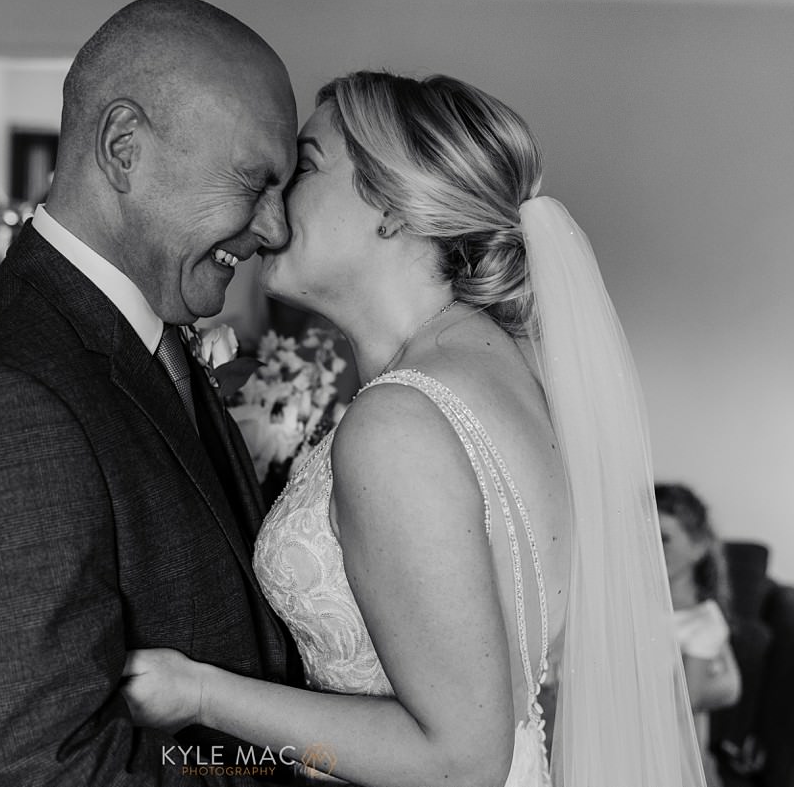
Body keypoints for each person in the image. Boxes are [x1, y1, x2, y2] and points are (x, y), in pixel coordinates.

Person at [122, 72, 708, 787]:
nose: (268, 209)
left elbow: (460, 760)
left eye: (305, 167)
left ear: (393, 207)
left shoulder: (400, 422)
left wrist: (200, 692)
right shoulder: (504, 371)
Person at [0, 0, 299, 784]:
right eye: (256, 181)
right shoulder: (3, 394)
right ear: (123, 148)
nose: (276, 229)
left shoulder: (141, 325)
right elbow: (46, 767)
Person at [657, 482, 742, 787]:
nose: (653, 546)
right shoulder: (635, 604)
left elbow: (687, 701)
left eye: (665, 538)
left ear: (698, 546)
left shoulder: (703, 620)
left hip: (670, 750)